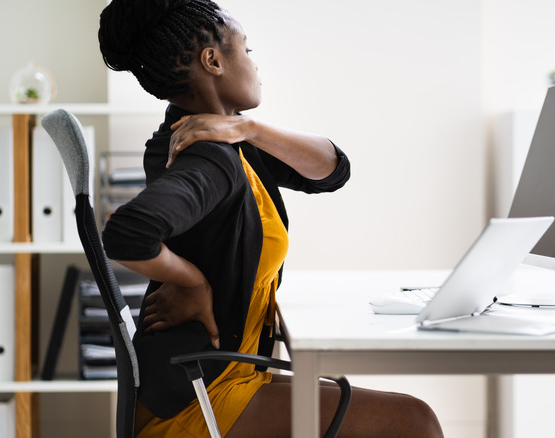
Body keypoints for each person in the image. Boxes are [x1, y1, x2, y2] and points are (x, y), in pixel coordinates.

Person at [98, 1, 444, 437]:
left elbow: (332, 171)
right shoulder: (208, 156)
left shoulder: (225, 138)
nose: (255, 65)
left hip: (220, 373)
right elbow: (128, 233)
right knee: (415, 422)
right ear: (214, 60)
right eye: (247, 50)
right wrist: (191, 281)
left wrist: (252, 129)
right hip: (200, 395)